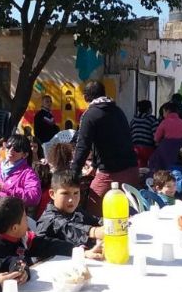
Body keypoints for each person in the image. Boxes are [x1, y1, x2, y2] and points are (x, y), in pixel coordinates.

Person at [71, 80, 138, 216]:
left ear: (86, 97)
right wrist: (95, 165)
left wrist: (73, 173)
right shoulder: (118, 111)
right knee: (128, 212)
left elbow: (83, 146)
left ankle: (97, 236)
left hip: (110, 173)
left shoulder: (90, 115)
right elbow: (109, 141)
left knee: (93, 209)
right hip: (132, 169)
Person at [0, 196, 101, 266]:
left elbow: (49, 245)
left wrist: (79, 251)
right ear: (14, 228)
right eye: (25, 218)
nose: (28, 221)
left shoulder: (22, 238)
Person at [36, 170, 104, 247]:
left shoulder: (76, 211)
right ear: (52, 194)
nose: (71, 199)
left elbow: (96, 220)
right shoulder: (49, 218)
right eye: (65, 193)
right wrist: (94, 232)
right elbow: (66, 227)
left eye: (76, 193)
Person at [0, 134, 42, 208]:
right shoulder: (1, 168)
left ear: (25, 155)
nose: (11, 150)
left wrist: (5, 187)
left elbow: (34, 198)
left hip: (15, 216)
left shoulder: (28, 173)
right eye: (9, 146)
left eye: (16, 149)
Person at [130, 99, 159, 168]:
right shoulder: (152, 119)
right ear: (149, 109)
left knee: (139, 168)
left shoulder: (134, 120)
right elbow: (156, 136)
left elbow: (130, 133)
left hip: (135, 148)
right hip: (148, 148)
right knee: (150, 168)